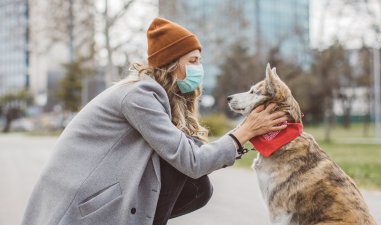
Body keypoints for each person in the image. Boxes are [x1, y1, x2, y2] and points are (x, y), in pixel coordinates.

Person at [21, 17, 288, 225]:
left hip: (94, 201)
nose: (199, 68)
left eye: (199, 61)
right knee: (180, 166)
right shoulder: (139, 94)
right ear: (171, 63)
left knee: (195, 177)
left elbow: (194, 157)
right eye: (192, 60)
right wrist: (243, 132)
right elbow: (192, 162)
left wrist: (246, 136)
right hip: (78, 210)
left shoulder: (156, 96)